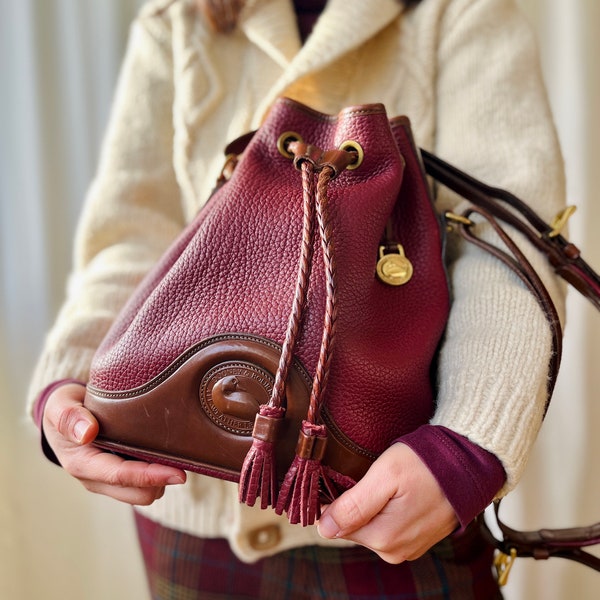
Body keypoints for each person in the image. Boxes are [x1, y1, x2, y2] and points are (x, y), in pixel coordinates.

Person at [28, 0, 567, 598]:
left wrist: (466, 446)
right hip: (189, 513)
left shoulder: (462, 12)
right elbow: (130, 240)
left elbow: (504, 248)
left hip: (392, 505)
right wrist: (67, 390)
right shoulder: (177, 18)